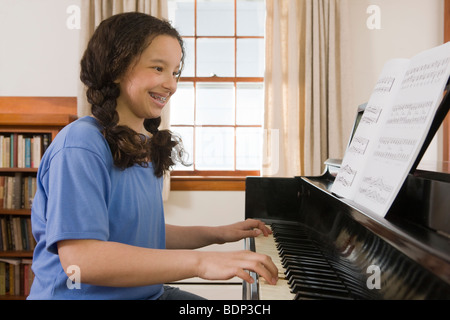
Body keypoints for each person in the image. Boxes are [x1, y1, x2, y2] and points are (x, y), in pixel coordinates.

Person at [27, 12, 278, 300]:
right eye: (158, 68)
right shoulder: (81, 144)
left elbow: (146, 232)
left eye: (175, 72)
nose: (171, 84)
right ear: (117, 69)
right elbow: (83, 261)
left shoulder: (145, 143)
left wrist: (217, 234)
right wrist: (201, 263)